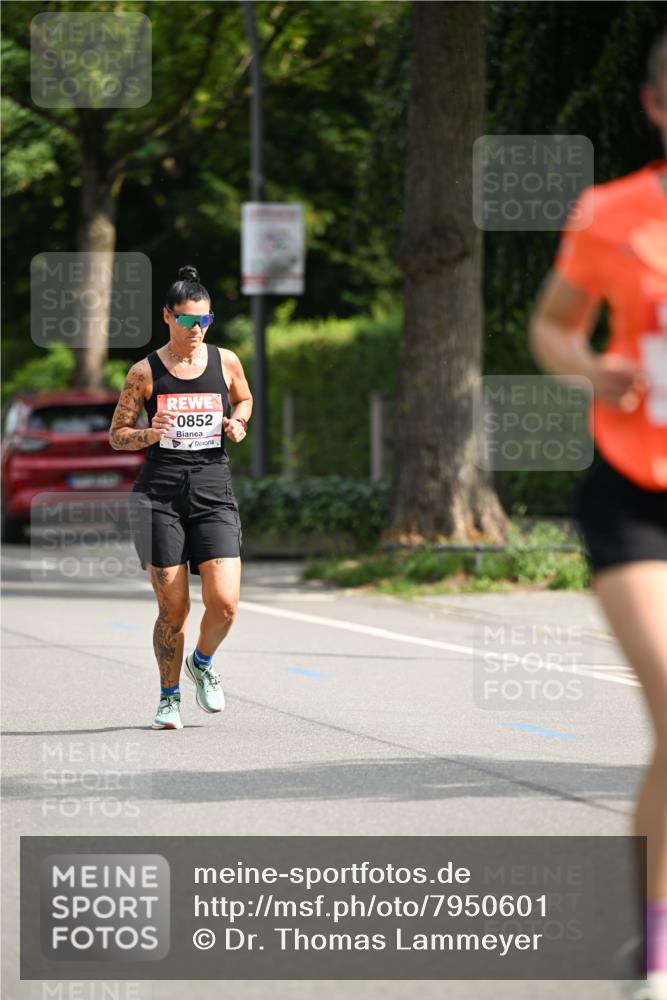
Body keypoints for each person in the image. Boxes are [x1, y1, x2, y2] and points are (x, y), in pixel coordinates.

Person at [530, 30, 667, 1000]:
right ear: (656, 106)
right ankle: (656, 953)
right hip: (635, 493)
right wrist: (595, 366)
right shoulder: (614, 214)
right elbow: (550, 324)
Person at [109, 265, 253, 730]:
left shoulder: (225, 361)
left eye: (205, 321)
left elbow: (244, 399)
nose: (197, 330)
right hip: (160, 496)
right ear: (167, 317)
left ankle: (203, 662)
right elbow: (116, 435)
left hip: (213, 488)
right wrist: (149, 433)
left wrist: (238, 422)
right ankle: (168, 698)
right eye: (189, 321)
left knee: (225, 602)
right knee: (174, 608)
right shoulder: (143, 372)